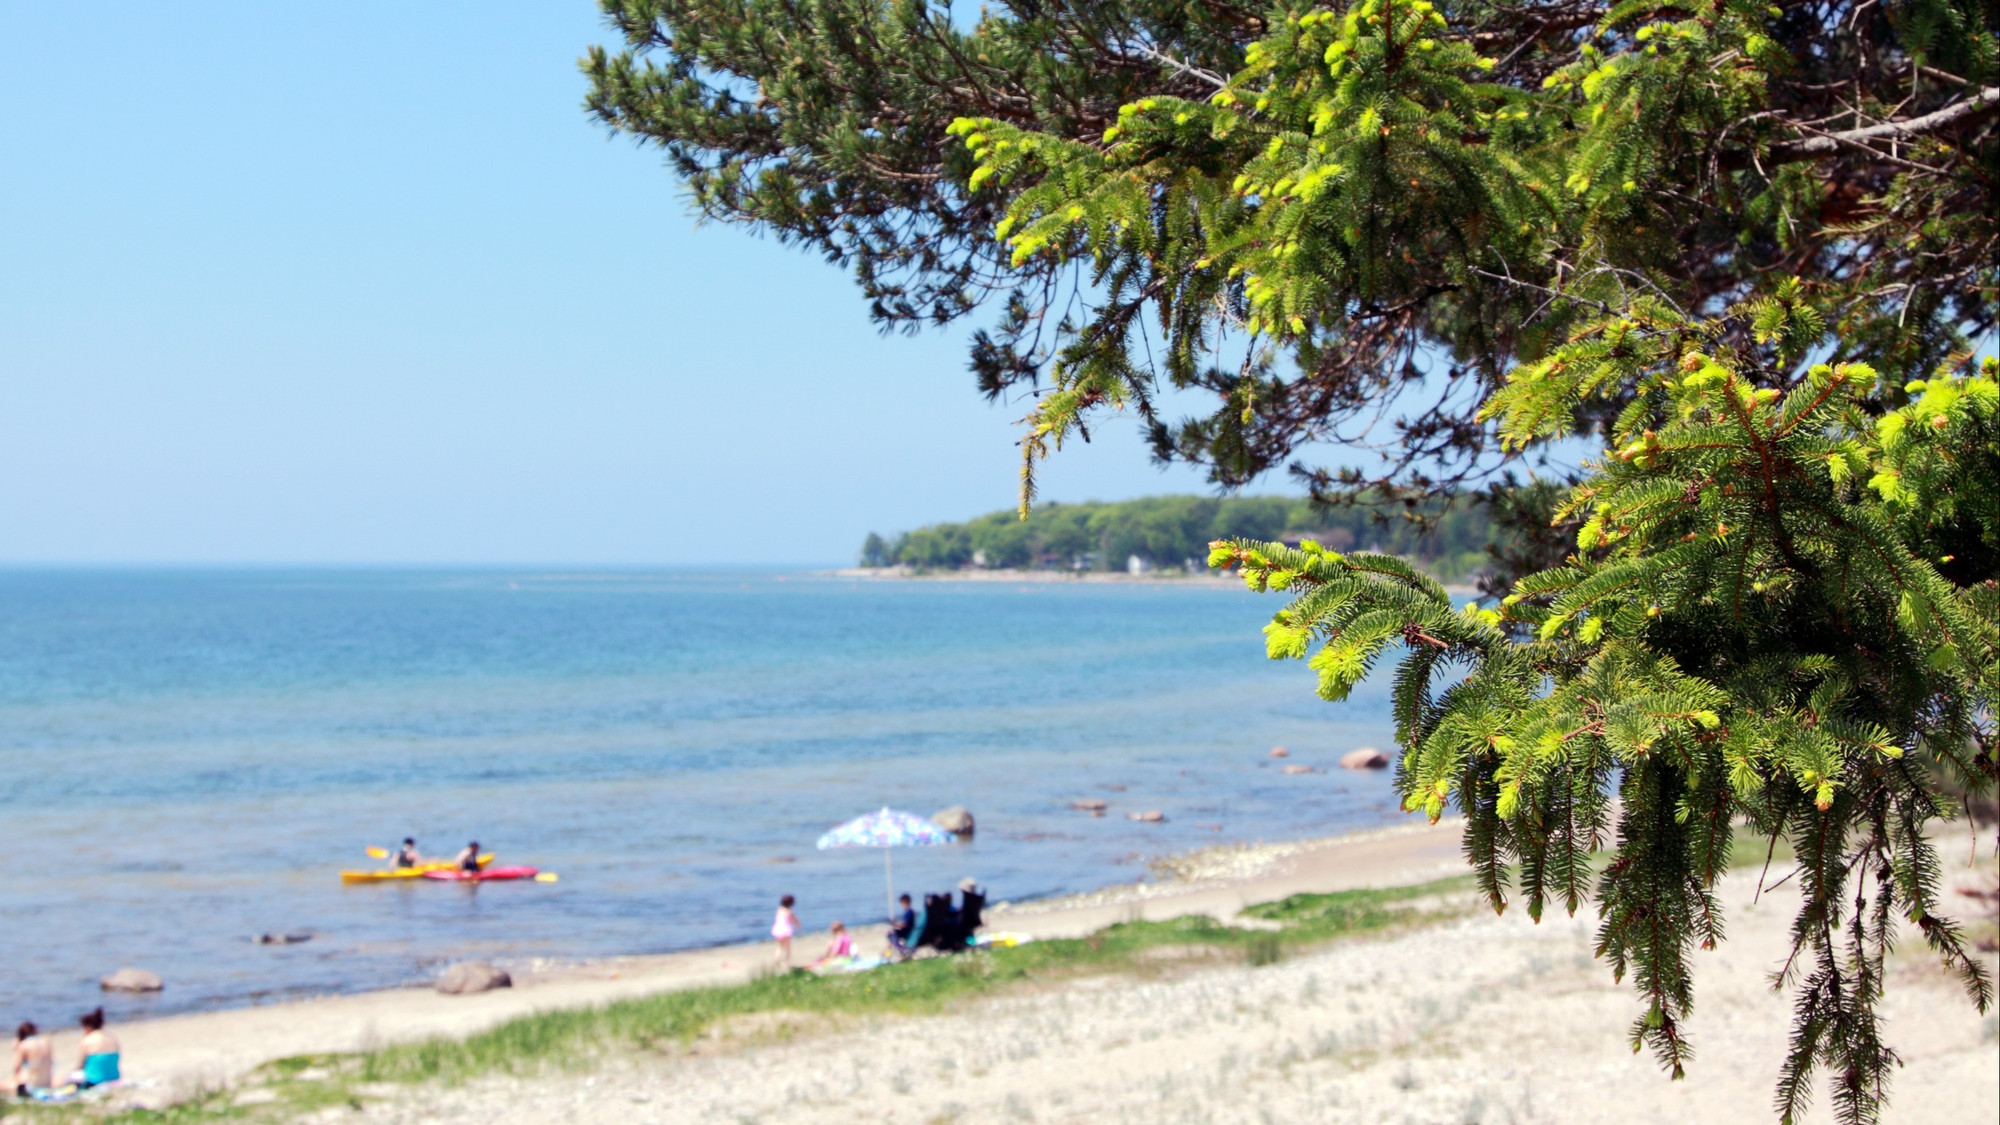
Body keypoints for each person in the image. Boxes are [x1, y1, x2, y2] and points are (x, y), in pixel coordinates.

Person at [68, 1009, 118, 1090]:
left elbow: (81, 1065)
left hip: (95, 1081)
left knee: (72, 1076)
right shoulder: (112, 1038)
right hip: (114, 1078)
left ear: (88, 1026)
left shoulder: (87, 1040)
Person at [12, 1022, 51, 1098]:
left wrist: (15, 1050)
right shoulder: (46, 1042)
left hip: (31, 1087)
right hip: (47, 1083)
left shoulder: (24, 1045)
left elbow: (16, 1068)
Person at [771, 894, 799, 968]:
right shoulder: (789, 912)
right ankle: (787, 963)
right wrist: (798, 926)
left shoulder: (779, 910)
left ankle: (776, 960)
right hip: (785, 930)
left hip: (777, 929)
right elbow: (794, 920)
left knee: (779, 947)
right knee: (788, 947)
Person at [885, 894, 916, 960]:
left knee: (890, 934)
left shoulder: (909, 912)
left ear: (904, 902)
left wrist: (895, 925)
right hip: (907, 931)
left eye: (902, 903)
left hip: (907, 932)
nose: (901, 905)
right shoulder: (909, 912)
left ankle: (902, 950)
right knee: (891, 933)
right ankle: (891, 950)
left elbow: (905, 925)